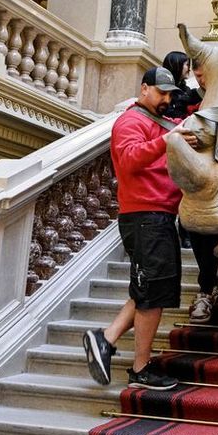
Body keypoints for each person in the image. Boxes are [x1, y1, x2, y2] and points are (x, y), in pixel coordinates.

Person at [83, 68, 185, 391]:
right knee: (150, 293)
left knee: (149, 289)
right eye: (161, 92)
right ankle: (140, 367)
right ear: (144, 89)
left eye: (170, 94)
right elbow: (127, 160)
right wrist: (166, 141)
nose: (167, 99)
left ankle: (106, 338)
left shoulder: (161, 123)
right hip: (145, 216)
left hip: (159, 216)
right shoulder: (130, 122)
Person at [160, 50, 218, 321]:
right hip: (196, 176)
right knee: (201, 233)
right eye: (196, 73)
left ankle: (211, 286)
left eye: (202, 74)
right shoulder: (187, 97)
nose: (199, 78)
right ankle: (207, 288)